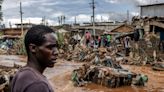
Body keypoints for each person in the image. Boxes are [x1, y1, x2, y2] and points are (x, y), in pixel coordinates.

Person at [10, 25, 58, 92]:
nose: (56, 52)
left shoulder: (21, 74)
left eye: (56, 47)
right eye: (50, 47)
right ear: (33, 48)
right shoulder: (37, 84)